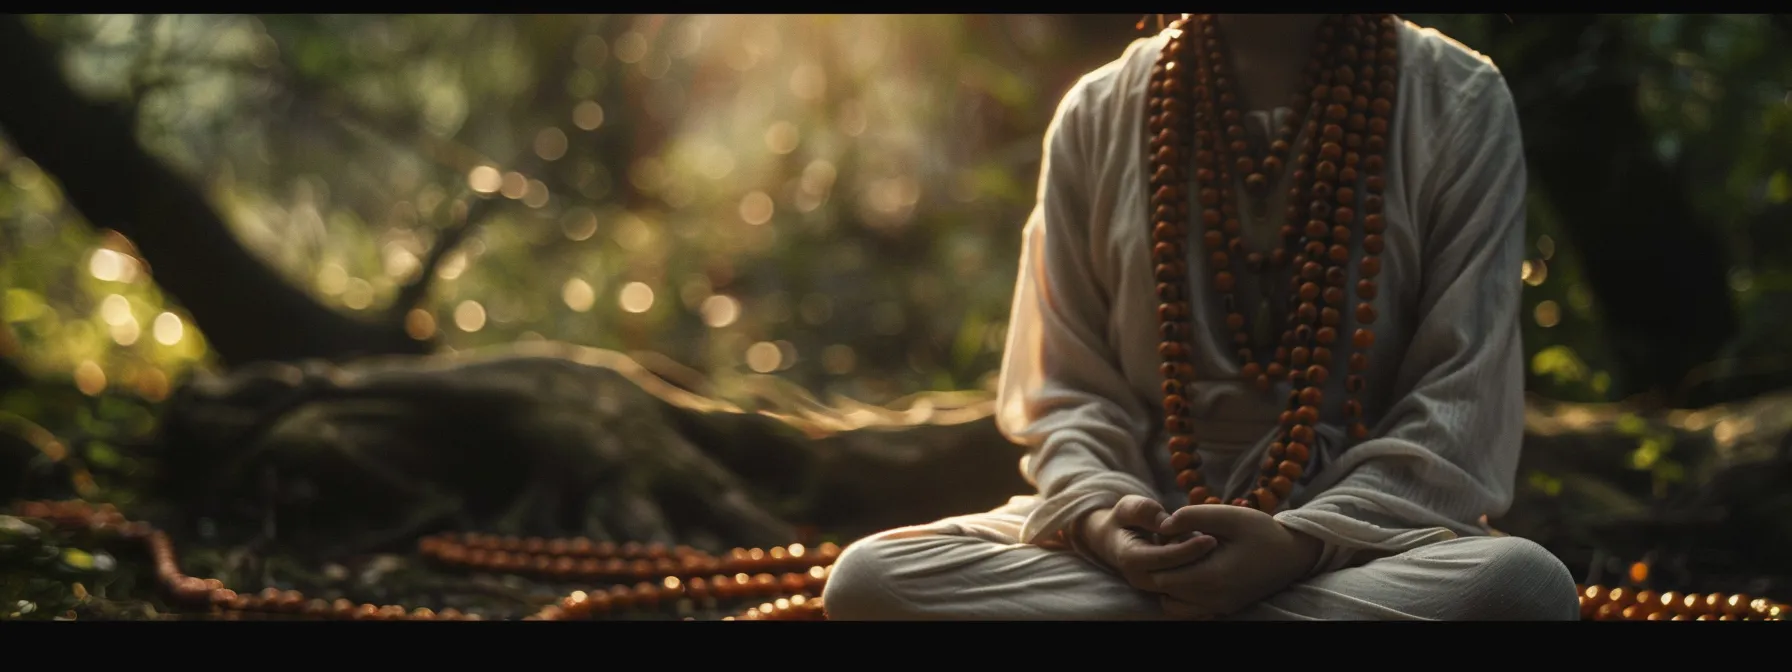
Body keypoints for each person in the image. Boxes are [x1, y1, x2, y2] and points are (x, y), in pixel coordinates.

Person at [819, 14, 1580, 620]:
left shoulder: (1458, 98)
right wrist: (1103, 526)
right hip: (1139, 546)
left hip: (1360, 550)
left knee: (1519, 587)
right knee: (870, 577)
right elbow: (1070, 394)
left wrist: (1300, 545)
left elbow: (1459, 400)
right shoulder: (1099, 111)